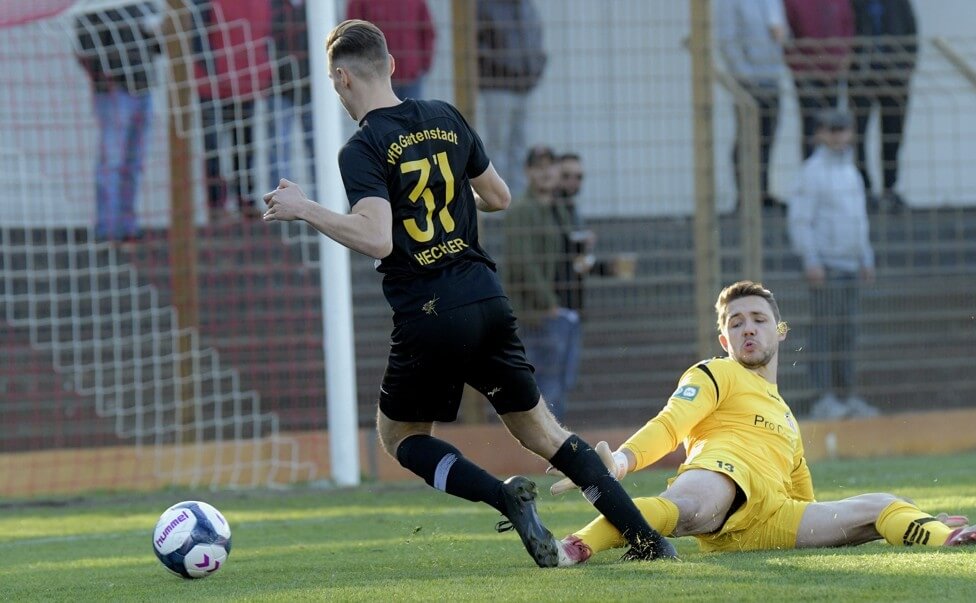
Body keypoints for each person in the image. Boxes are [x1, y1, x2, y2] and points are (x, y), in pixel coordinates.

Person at [261, 19, 675, 567]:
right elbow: (499, 197)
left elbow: (377, 238)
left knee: (401, 437)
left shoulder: (361, 147)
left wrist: (305, 208)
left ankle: (505, 497)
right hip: (486, 298)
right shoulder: (445, 116)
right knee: (543, 431)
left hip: (430, 311)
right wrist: (447, 199)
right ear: (391, 66)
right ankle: (649, 542)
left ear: (341, 79)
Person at [548, 280, 976, 566]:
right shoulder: (715, 373)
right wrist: (623, 461)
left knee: (884, 505)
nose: (748, 328)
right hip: (722, 477)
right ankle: (573, 547)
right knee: (688, 507)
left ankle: (946, 536)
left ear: (779, 331)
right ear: (724, 339)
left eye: (759, 320)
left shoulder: (787, 417)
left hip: (773, 520)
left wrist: (916, 521)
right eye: (736, 323)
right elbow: (671, 423)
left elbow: (805, 501)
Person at [787, 108, 878, 420]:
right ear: (820, 134)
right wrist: (811, 259)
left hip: (851, 265)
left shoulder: (851, 173)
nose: (839, 136)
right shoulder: (812, 172)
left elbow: (859, 220)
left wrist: (866, 256)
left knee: (847, 334)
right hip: (827, 266)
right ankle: (823, 397)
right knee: (825, 333)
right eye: (832, 129)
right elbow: (801, 220)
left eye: (843, 129)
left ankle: (846, 394)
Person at [503, 146, 580, 423]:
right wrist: (549, 304)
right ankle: (548, 443)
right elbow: (523, 263)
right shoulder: (522, 210)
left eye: (550, 166)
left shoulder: (557, 209)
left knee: (558, 383)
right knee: (543, 386)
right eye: (538, 167)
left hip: (558, 311)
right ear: (528, 172)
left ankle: (552, 441)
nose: (545, 173)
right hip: (535, 314)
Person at [74, 1, 161, 244]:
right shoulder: (93, 6)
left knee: (135, 163)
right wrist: (107, 80)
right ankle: (108, 229)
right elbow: (84, 49)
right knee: (111, 163)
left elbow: (159, 47)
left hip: (144, 90)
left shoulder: (144, 4)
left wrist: (159, 33)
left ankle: (128, 225)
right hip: (115, 93)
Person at [193, 0, 272, 221]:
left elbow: (265, 36)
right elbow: (197, 37)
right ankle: (216, 205)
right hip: (212, 85)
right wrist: (214, 71)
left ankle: (244, 199)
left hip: (246, 82)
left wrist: (262, 72)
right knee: (213, 148)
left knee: (244, 145)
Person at [715, 0, 787, 208]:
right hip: (749, 81)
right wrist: (747, 76)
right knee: (747, 138)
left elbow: (781, 33)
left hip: (772, 77)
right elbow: (727, 40)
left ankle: (762, 191)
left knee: (768, 136)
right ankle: (745, 196)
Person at [847, 0, 918, 211]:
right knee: (858, 135)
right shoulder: (854, 3)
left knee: (893, 135)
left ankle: (890, 187)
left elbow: (911, 32)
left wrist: (905, 68)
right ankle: (864, 189)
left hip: (895, 77)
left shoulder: (899, 3)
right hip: (862, 77)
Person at [476, 0, 547, 196]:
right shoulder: (485, 6)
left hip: (524, 86)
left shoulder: (527, 7)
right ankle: (495, 199)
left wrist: (536, 69)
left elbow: (536, 39)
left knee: (519, 148)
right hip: (497, 86)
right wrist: (502, 66)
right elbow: (476, 45)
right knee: (496, 147)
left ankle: (515, 201)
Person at [784, 0, 854, 159]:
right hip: (807, 73)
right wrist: (800, 69)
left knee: (833, 126)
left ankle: (832, 167)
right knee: (811, 126)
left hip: (834, 72)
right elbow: (788, 37)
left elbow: (847, 26)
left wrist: (844, 58)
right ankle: (811, 168)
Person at [268, 0, 316, 195]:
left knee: (317, 147)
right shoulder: (272, 6)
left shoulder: (316, 9)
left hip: (312, 90)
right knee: (279, 148)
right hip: (279, 88)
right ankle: (280, 199)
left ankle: (321, 198)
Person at [346, 0, 436, 100]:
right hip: (377, 77)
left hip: (410, 76)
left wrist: (423, 65)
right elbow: (352, 35)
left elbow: (427, 32)